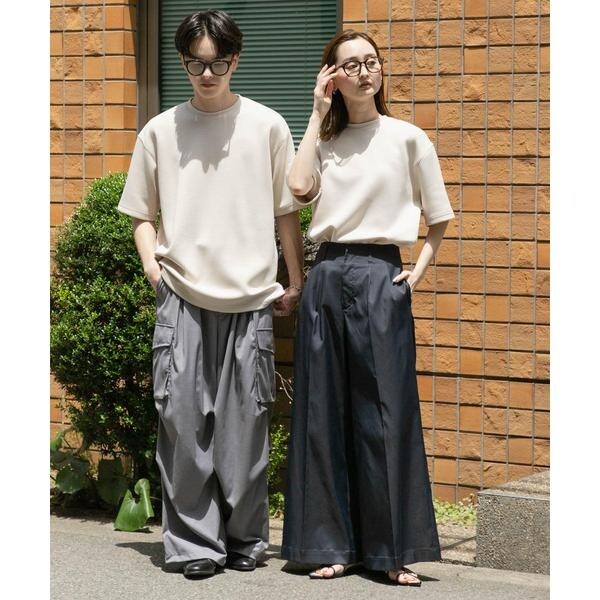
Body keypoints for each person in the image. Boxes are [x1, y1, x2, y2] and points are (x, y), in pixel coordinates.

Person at [117, 10, 303, 579]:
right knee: (181, 424)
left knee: (246, 427)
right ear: (182, 62)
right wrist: (153, 268)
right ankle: (195, 544)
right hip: (182, 296)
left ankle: (246, 538)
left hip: (250, 298)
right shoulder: (159, 130)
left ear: (235, 60)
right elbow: (141, 213)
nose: (206, 74)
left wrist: (295, 278)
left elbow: (286, 211)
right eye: (195, 63)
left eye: (218, 63)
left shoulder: (267, 125)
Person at [281, 30, 455, 586]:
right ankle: (330, 545)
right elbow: (298, 188)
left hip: (382, 275)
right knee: (322, 413)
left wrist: (416, 272)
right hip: (328, 274)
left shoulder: (407, 138)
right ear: (332, 75)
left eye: (371, 62)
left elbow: (439, 217)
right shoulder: (325, 142)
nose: (363, 72)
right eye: (350, 64)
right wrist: (316, 114)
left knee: (385, 412)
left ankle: (390, 551)